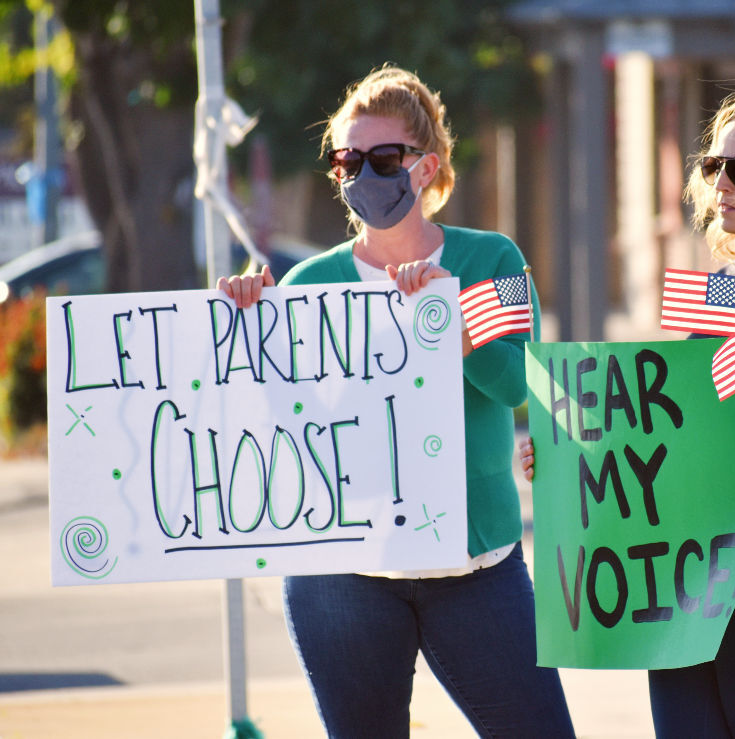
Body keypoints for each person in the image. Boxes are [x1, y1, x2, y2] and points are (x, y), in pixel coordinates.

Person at [219, 65, 574, 738]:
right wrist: (247, 326)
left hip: (476, 565)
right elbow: (283, 424)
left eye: (383, 158)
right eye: (347, 160)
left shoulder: (491, 257)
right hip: (344, 573)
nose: (361, 175)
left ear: (425, 165)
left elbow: (518, 388)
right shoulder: (309, 281)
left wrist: (454, 324)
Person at [522, 80, 735, 737]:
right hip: (683, 589)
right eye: (713, 166)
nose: (722, 185)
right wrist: (564, 446)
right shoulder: (716, 286)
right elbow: (665, 421)